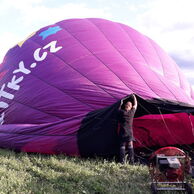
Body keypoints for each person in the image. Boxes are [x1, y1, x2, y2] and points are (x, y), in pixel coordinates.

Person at [118, 94, 137, 164]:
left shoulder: (121, 112)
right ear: (130, 107)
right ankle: (132, 162)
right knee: (130, 146)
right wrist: (134, 97)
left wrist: (121, 103)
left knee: (122, 146)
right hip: (129, 133)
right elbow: (136, 105)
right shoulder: (131, 113)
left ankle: (122, 162)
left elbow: (118, 109)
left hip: (122, 132)